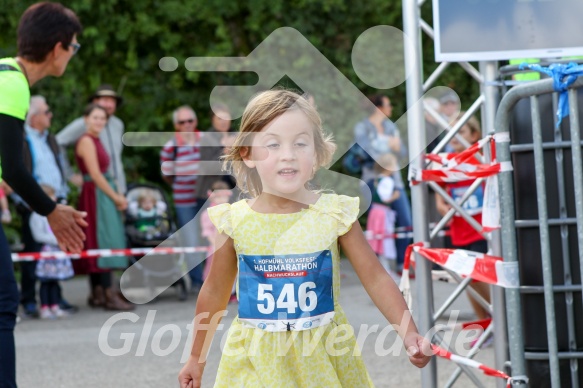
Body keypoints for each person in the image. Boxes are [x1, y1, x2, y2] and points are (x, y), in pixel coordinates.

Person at [178, 89, 431, 388]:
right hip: (254, 362)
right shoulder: (235, 222)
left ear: (316, 154)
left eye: (300, 143)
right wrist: (196, 357)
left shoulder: (336, 214)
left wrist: (408, 331)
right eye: (272, 144)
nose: (288, 154)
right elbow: (214, 292)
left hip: (324, 358)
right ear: (246, 153)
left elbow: (375, 278)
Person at [0, 3, 85, 387]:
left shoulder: (3, 70)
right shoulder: (12, 84)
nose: (72, 53)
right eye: (74, 46)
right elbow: (15, 168)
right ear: (57, 48)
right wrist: (51, 210)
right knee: (4, 305)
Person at [14, 95, 76, 318]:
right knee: (33, 253)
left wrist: (64, 195)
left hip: (56, 201)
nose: (50, 116)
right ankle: (29, 299)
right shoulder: (21, 139)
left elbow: (59, 166)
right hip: (33, 204)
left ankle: (55, 298)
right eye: (46, 112)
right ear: (34, 116)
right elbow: (16, 170)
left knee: (58, 250)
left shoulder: (50, 139)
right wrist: (25, 201)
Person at [75, 103, 132, 311]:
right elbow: (96, 175)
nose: (99, 121)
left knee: (101, 239)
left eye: (102, 118)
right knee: (103, 239)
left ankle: (99, 292)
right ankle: (107, 294)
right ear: (86, 119)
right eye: (95, 117)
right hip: (96, 195)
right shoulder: (86, 141)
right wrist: (116, 197)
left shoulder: (96, 140)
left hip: (101, 193)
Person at [435, 113, 491, 321]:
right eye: (450, 133)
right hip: (459, 231)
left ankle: (499, 318)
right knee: (468, 280)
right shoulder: (447, 161)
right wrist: (440, 204)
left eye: (461, 131)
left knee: (479, 277)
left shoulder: (484, 156)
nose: (455, 137)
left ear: (475, 134)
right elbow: (438, 188)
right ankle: (484, 322)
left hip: (481, 231)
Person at [353, 94, 412, 271]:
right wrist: (389, 145)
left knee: (407, 223)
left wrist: (398, 149)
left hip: (394, 182)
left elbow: (402, 153)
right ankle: (378, 268)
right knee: (377, 226)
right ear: (378, 107)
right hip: (372, 182)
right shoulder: (362, 127)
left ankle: (403, 264)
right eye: (388, 104)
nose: (391, 108)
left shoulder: (390, 126)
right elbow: (365, 152)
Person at [160, 105, 205, 292]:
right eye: (182, 122)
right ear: (176, 125)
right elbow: (166, 174)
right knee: (191, 240)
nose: (187, 124)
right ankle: (197, 282)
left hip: (207, 197)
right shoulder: (170, 147)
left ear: (195, 122)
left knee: (212, 239)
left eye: (190, 121)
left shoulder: (207, 139)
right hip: (184, 200)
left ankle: (215, 279)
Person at [57, 84, 126, 193]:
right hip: (95, 189)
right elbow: (58, 142)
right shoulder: (84, 123)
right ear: (95, 102)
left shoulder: (118, 124)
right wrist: (69, 175)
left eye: (112, 101)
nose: (109, 104)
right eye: (105, 100)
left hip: (119, 187)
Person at [30, 185, 74, 320]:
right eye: (50, 197)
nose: (54, 199)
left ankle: (55, 305)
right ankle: (44, 307)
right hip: (45, 253)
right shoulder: (36, 216)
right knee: (45, 282)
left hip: (56, 253)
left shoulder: (55, 214)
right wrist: (56, 239)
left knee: (55, 282)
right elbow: (38, 235)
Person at [365, 153, 400, 280]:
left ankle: (383, 269)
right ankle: (387, 270)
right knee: (384, 240)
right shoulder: (387, 181)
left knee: (378, 240)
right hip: (382, 214)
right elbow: (385, 198)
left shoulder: (376, 179)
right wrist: (395, 196)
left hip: (376, 212)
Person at [195, 103, 237, 204]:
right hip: (211, 193)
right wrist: (225, 151)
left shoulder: (237, 136)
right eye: (219, 118)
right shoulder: (207, 139)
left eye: (226, 117)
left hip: (234, 191)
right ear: (212, 120)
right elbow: (207, 168)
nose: (224, 121)